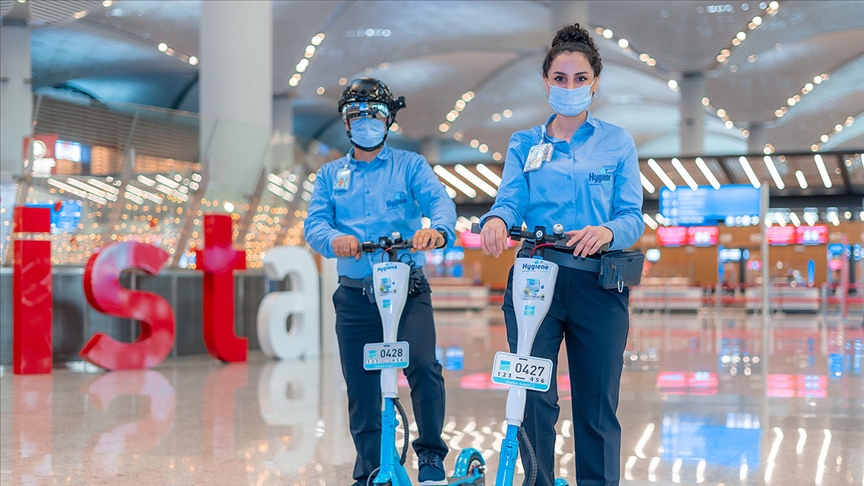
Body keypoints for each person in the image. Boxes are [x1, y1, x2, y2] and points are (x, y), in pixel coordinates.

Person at [479, 23, 644, 486]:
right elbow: (509, 200)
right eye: (559, 78)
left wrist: (608, 230)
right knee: (533, 398)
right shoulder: (525, 144)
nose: (569, 87)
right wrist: (495, 219)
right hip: (535, 279)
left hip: (598, 284)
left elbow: (633, 216)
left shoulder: (617, 142)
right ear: (546, 81)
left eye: (579, 78)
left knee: (596, 404)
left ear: (595, 82)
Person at [304, 77, 456, 486]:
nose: (365, 122)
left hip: (407, 289)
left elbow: (438, 201)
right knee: (361, 387)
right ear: (346, 122)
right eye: (357, 115)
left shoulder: (410, 165)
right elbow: (315, 224)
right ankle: (372, 468)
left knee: (423, 366)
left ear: (388, 120)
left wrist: (437, 229)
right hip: (355, 297)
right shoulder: (330, 175)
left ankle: (430, 457)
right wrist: (336, 239)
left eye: (374, 115)